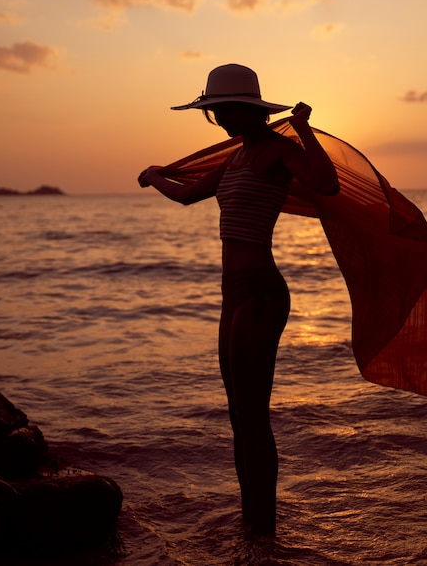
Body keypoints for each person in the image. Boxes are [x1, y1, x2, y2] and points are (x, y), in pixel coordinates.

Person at [138, 63, 340, 536]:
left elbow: (326, 184)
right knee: (237, 415)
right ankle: (251, 527)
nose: (221, 120)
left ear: (249, 110)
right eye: (214, 113)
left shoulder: (279, 151)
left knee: (253, 414)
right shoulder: (234, 158)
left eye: (224, 111)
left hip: (262, 293)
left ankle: (263, 532)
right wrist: (154, 176)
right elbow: (189, 194)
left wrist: (305, 129)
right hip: (232, 296)